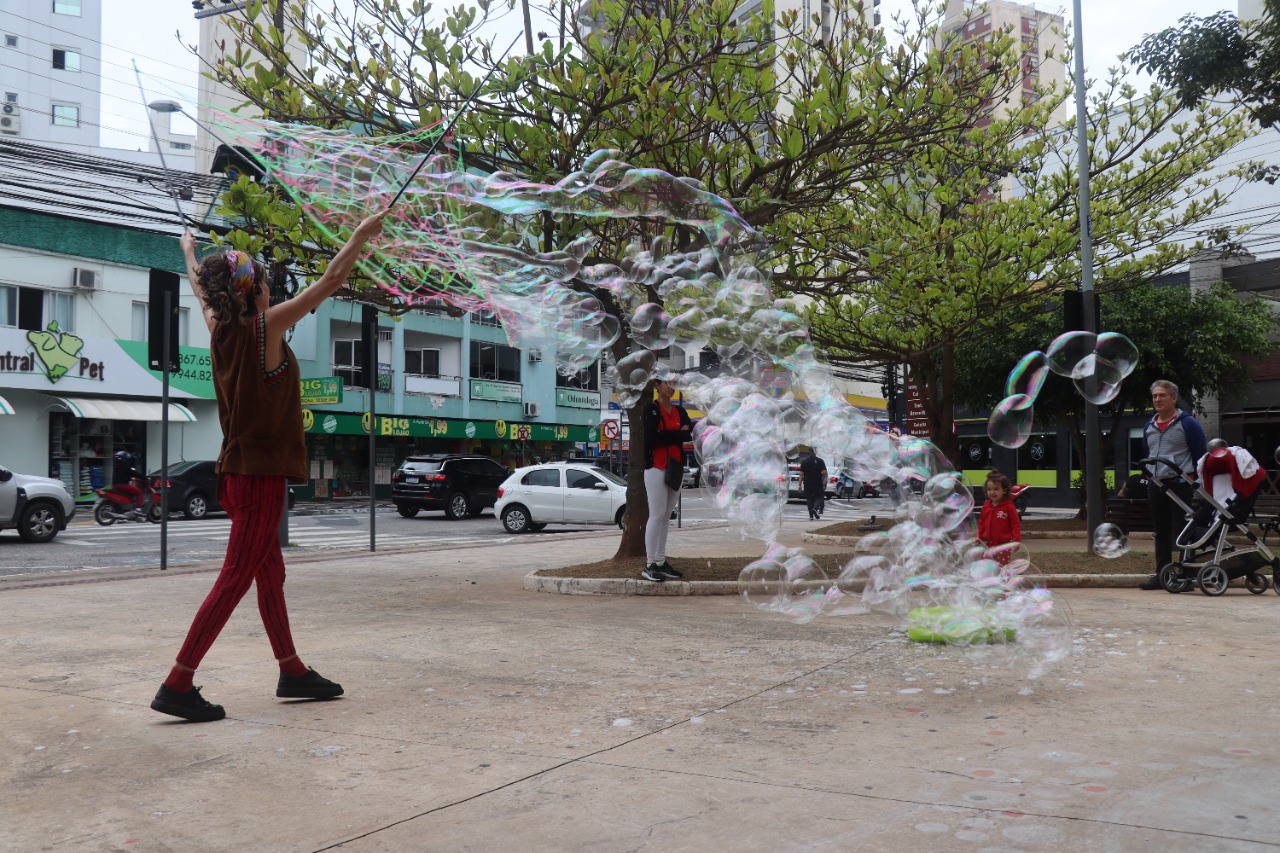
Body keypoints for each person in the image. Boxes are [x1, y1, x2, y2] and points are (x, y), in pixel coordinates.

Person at [151, 211, 386, 723]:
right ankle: (178, 680)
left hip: (236, 473)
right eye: (263, 278)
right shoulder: (264, 328)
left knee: (269, 575)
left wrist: (188, 251)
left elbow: (200, 290)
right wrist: (361, 234)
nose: (270, 285)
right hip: (257, 477)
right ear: (251, 289)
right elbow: (330, 281)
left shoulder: (221, 329)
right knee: (236, 577)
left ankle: (292, 669)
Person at [1138, 379, 1207, 590]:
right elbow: (1146, 454)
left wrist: (1198, 483)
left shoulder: (1188, 424)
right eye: (1154, 396)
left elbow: (1201, 456)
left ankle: (1187, 576)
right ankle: (1162, 575)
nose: (1157, 399)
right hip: (1157, 485)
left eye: (1162, 395)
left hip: (1180, 485)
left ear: (1174, 398)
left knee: (1183, 530)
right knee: (1161, 531)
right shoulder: (1149, 426)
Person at [640, 377, 692, 583]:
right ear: (657, 385)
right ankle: (649, 563)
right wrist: (677, 434)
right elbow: (652, 439)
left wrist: (668, 435)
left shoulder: (680, 411)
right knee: (656, 515)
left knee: (666, 516)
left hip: (675, 467)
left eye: (674, 384)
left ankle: (660, 561)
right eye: (667, 383)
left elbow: (688, 435)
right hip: (656, 467)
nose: (671, 387)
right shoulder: (650, 410)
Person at [977, 469, 1021, 558]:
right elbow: (981, 523)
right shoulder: (986, 506)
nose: (992, 492)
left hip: (1004, 546)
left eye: (996, 489)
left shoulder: (1009, 506)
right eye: (989, 489)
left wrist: (1016, 541)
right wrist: (979, 537)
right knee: (987, 568)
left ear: (1004, 491)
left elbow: (1015, 525)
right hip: (989, 544)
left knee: (1001, 569)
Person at [112, 449, 144, 514]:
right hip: (123, 485)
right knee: (139, 493)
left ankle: (126, 510)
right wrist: (143, 477)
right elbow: (134, 473)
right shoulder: (125, 466)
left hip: (115, 486)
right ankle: (138, 509)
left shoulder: (116, 466)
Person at [799, 452, 828, 521]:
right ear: (815, 453)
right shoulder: (820, 461)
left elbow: (801, 475)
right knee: (820, 497)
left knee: (809, 499)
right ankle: (815, 509)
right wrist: (825, 479)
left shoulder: (804, 462)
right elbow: (824, 473)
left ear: (808, 453)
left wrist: (799, 485)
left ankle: (811, 516)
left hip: (807, 483)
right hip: (817, 483)